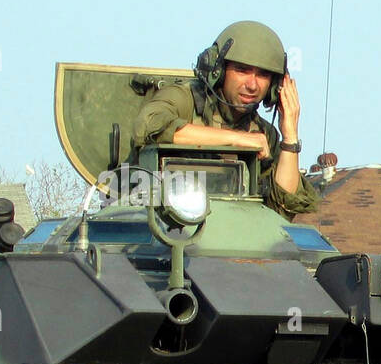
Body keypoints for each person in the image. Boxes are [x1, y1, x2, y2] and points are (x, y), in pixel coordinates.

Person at [132, 21, 317, 219]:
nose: (253, 85)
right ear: (218, 70)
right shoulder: (185, 100)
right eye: (242, 70)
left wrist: (290, 138)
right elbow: (147, 125)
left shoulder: (264, 134)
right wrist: (237, 139)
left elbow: (283, 210)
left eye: (263, 75)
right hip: (167, 227)